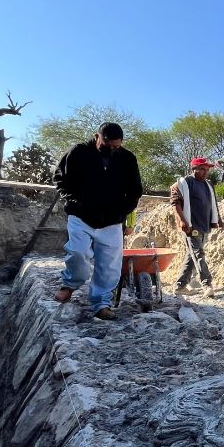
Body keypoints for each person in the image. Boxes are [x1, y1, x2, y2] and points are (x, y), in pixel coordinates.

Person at [52, 122, 143, 320]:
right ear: (97, 137)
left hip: (111, 221)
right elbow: (60, 179)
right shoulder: (78, 152)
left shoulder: (127, 158)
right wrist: (75, 200)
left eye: (116, 146)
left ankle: (101, 303)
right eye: (107, 145)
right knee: (77, 252)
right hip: (81, 216)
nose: (111, 149)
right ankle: (70, 284)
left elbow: (135, 190)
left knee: (109, 264)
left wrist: (123, 211)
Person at [171, 157, 223, 298]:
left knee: (191, 256)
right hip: (190, 226)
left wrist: (218, 219)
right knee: (198, 254)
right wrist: (182, 221)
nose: (205, 172)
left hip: (204, 225)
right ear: (193, 169)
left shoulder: (208, 184)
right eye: (202, 169)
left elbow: (213, 203)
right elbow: (175, 203)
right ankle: (207, 284)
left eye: (207, 169)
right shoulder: (183, 183)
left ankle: (180, 286)